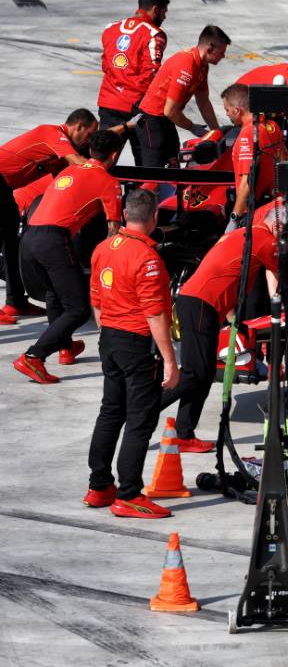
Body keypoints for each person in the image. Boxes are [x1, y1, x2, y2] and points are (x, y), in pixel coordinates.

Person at [159, 207, 288, 451]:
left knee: (200, 374)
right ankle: (145, 410)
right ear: (279, 227)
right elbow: (285, 279)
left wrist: (234, 319)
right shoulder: (264, 241)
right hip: (201, 304)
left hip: (201, 303)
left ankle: (184, 434)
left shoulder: (243, 234)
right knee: (196, 374)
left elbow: (225, 275)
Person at [84, 189, 180, 519]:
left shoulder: (102, 248)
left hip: (108, 338)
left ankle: (99, 486)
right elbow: (155, 314)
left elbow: (96, 299)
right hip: (135, 343)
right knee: (140, 419)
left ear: (125, 214)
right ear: (154, 218)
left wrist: (108, 334)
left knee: (110, 411)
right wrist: (170, 359)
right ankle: (129, 494)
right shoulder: (148, 259)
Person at [14, 130, 123, 384]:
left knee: (55, 294)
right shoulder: (109, 182)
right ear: (114, 155)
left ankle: (65, 348)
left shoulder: (69, 170)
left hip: (29, 237)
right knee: (78, 307)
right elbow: (113, 230)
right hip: (53, 240)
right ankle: (34, 357)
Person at [0, 110, 96, 320]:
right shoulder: (53, 134)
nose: (87, 141)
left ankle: (15, 302)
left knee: (11, 241)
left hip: (5, 187)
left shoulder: (59, 151)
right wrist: (104, 174)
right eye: (88, 135)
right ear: (78, 126)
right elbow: (78, 161)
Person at [136, 25, 230, 167]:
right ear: (209, 49)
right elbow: (170, 111)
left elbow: (203, 101)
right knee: (153, 169)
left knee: (174, 161)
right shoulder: (186, 65)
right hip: (152, 118)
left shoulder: (203, 66)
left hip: (166, 119)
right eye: (222, 52)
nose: (224, 56)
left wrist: (216, 131)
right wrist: (192, 127)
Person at [97, 0, 170, 163]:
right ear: (155, 9)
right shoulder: (154, 34)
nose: (165, 18)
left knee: (102, 160)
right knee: (146, 166)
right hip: (138, 109)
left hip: (109, 104)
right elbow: (152, 72)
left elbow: (106, 64)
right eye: (164, 12)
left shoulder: (110, 29)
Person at [219, 83, 284, 227]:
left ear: (237, 110)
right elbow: (283, 161)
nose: (226, 114)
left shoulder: (248, 133)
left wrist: (235, 216)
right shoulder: (272, 126)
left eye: (227, 109)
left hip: (254, 212)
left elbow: (247, 180)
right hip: (276, 207)